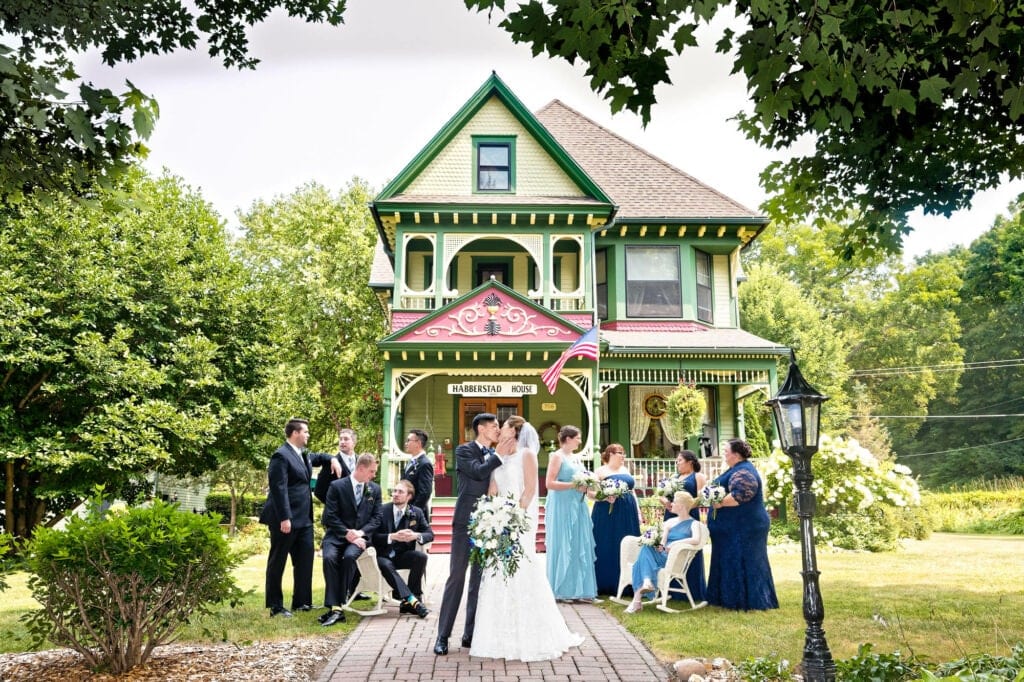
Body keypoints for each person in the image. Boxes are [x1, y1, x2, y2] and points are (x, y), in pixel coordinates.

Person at [472, 417, 585, 661]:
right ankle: (498, 635)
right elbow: (493, 487)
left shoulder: (527, 455)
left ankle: (530, 632)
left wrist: (514, 519)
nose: (499, 428)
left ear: (513, 430)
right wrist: (490, 514)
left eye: (503, 426)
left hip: (518, 522)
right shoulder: (497, 455)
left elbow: (531, 490)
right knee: (497, 572)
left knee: (521, 569)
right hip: (499, 521)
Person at [434, 413, 504, 655]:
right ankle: (442, 636)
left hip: (490, 523)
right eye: (495, 426)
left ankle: (470, 634)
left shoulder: (498, 456)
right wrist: (500, 456)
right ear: (482, 429)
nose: (498, 430)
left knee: (479, 580)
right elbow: (478, 472)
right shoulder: (465, 451)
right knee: (457, 577)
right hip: (466, 521)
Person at [259, 418, 343, 617]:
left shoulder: (302, 455)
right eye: (305, 432)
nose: (308, 435)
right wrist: (284, 518)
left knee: (305, 560)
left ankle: (302, 602)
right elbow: (278, 489)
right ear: (295, 433)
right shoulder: (281, 455)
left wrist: (332, 459)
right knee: (277, 562)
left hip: (304, 520)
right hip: (285, 520)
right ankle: (276, 606)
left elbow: (319, 457)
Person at [706, 438, 779, 611]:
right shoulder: (735, 469)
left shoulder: (744, 471)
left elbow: (741, 494)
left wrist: (720, 502)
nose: (724, 454)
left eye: (726, 451)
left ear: (736, 455)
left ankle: (747, 601)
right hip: (734, 529)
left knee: (745, 562)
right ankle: (726, 599)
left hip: (745, 528)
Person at [320, 453, 382, 626]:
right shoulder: (337, 486)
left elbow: (377, 518)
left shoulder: (374, 489)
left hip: (360, 537)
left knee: (349, 558)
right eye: (371, 471)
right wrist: (348, 534)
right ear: (361, 469)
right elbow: (330, 516)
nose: (373, 475)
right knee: (329, 558)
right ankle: (337, 608)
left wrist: (360, 533)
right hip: (336, 535)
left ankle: (336, 607)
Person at [624, 491, 703, 613]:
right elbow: (662, 541)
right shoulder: (670, 522)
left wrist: (676, 543)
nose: (671, 504)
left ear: (681, 506)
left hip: (674, 558)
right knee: (646, 547)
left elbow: (696, 539)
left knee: (641, 560)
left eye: (674, 502)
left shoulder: (694, 523)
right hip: (662, 553)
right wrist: (660, 544)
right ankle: (645, 585)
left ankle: (638, 598)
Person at [543, 425, 597, 602]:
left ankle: (580, 590)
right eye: (578, 438)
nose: (580, 441)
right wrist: (573, 486)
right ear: (568, 439)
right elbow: (549, 484)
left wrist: (596, 493)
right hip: (562, 505)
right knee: (564, 542)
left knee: (579, 543)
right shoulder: (556, 456)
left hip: (578, 504)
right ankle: (562, 589)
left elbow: (584, 483)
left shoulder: (576, 458)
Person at [372, 479, 431, 618]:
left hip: (402, 555)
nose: (395, 494)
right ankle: (412, 601)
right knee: (385, 564)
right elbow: (372, 536)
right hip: (382, 556)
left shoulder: (416, 512)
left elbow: (429, 534)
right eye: (394, 491)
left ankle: (411, 600)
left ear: (409, 496)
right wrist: (391, 536)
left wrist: (415, 535)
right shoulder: (381, 510)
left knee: (421, 557)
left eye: (400, 492)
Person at [591, 443, 641, 595]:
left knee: (628, 543)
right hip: (607, 512)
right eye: (620, 453)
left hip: (628, 512)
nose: (623, 456)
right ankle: (606, 582)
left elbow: (632, 492)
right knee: (608, 542)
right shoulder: (600, 471)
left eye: (623, 453)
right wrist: (604, 497)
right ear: (610, 454)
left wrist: (638, 512)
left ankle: (629, 582)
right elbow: (590, 493)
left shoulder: (625, 470)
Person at [661, 449, 707, 603]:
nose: (677, 463)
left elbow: (701, 498)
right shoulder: (674, 477)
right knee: (668, 547)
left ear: (690, 462)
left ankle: (691, 589)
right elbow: (662, 494)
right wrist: (666, 503)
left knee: (686, 549)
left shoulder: (698, 477)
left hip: (688, 516)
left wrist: (684, 505)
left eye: (680, 460)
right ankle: (668, 589)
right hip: (671, 515)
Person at [314, 428, 357, 503]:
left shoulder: (361, 461)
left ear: (354, 442)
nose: (342, 442)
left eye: (346, 439)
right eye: (340, 439)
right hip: (337, 513)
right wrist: (335, 506)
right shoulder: (330, 463)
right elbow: (319, 491)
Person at [401, 428, 434, 522]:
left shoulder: (425, 463)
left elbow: (425, 492)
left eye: (408, 440)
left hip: (415, 515)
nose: (406, 443)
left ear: (418, 443)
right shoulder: (410, 462)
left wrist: (412, 512)